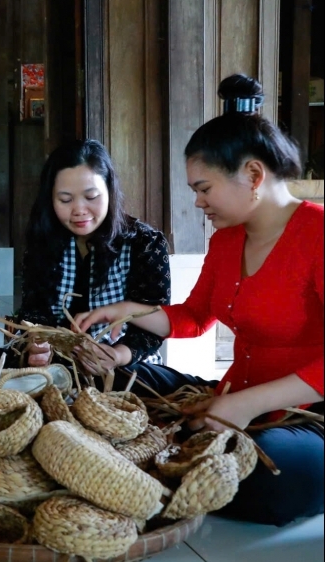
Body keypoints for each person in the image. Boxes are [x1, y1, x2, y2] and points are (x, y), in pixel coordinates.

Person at [77, 74, 323, 526]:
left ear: (253, 175)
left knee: (264, 471)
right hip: (234, 397)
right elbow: (194, 318)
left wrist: (248, 405)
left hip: (305, 416)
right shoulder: (227, 241)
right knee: (115, 380)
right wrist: (131, 310)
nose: (198, 203)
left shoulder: (317, 233)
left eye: (204, 188)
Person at [0, 140, 171, 393]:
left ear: (110, 191)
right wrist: (36, 345)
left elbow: (154, 328)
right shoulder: (44, 242)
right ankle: (5, 381)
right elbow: (34, 313)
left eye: (91, 197)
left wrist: (117, 355)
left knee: (134, 381)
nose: (79, 210)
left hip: (123, 362)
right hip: (59, 357)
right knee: (17, 364)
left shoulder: (145, 244)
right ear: (50, 199)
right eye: (65, 199)